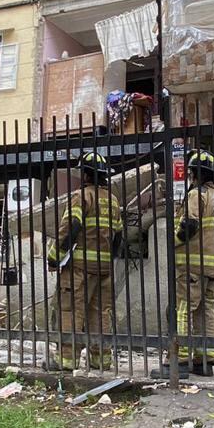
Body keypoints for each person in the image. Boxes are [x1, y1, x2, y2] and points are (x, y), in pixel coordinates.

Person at [154, 149, 214, 378]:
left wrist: (172, 243)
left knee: (182, 309)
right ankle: (205, 360)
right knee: (206, 311)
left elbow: (189, 225)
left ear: (195, 174)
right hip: (212, 266)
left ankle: (179, 360)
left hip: (191, 265)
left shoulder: (196, 195)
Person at [46, 152, 122, 371]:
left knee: (70, 310)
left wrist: (54, 258)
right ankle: (101, 360)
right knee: (100, 313)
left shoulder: (81, 197)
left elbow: (70, 228)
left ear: (87, 175)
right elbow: (118, 236)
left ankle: (66, 360)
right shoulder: (113, 201)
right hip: (104, 269)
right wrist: (108, 261)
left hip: (79, 268)